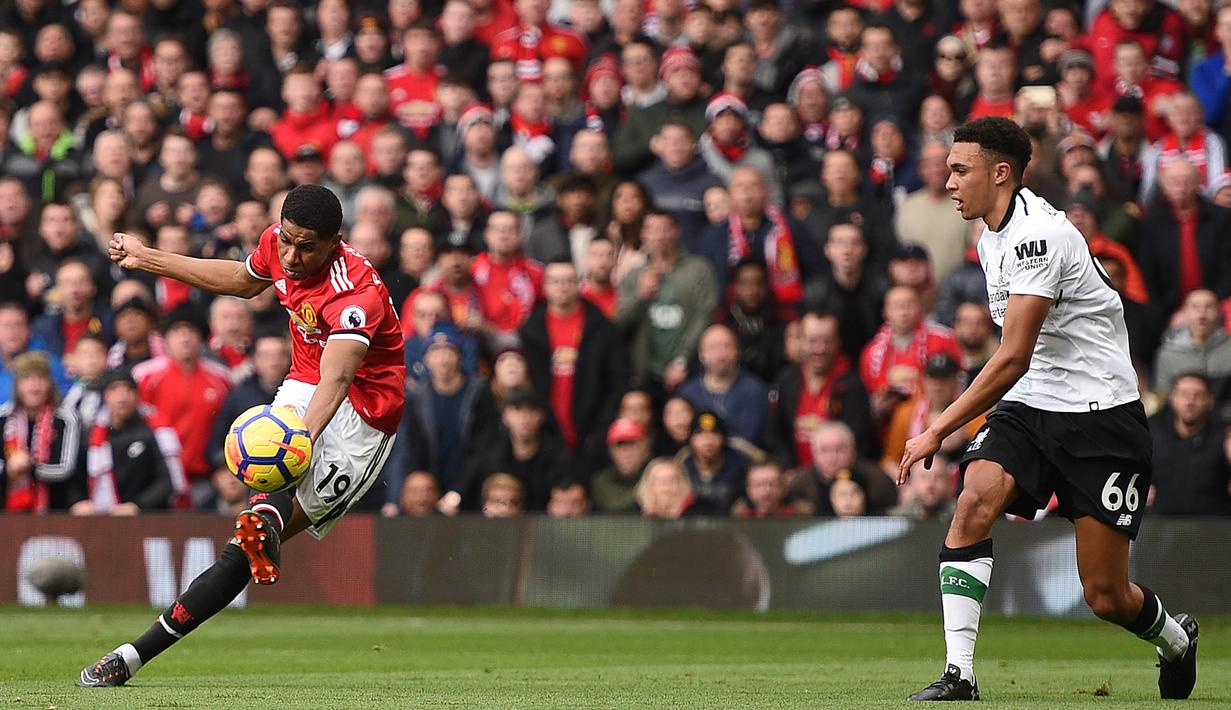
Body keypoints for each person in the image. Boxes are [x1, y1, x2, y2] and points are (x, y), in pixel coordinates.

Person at [897, 117, 1198, 701]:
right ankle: (960, 673)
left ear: (1000, 172)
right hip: (1033, 402)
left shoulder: (1040, 237)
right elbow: (1020, 367)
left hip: (1101, 415)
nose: (948, 180)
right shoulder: (989, 237)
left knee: (1106, 595)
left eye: (961, 169)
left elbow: (1011, 356)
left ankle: (1176, 639)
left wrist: (937, 427)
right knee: (973, 502)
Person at [79, 184, 406, 688]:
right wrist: (148, 258)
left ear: (335, 241)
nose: (292, 257)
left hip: (365, 415)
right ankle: (133, 655)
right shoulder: (278, 242)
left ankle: (265, 525)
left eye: (307, 247)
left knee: (247, 538)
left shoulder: (354, 295)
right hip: (305, 380)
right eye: (288, 242)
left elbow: (340, 380)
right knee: (246, 542)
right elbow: (241, 278)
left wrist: (299, 441)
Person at [519, 258, 627, 459]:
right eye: (555, 281)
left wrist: (602, 427)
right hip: (544, 432)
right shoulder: (530, 331)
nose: (563, 287)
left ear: (579, 283)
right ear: (544, 287)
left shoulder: (602, 328)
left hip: (591, 432)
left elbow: (617, 381)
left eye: (569, 281)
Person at [615, 209, 717, 393]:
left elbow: (704, 317)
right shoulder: (634, 275)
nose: (659, 236)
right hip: (645, 372)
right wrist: (640, 295)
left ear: (676, 231)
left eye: (665, 229)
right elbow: (619, 322)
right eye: (652, 229)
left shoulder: (698, 269)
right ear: (643, 234)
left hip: (690, 370)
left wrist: (682, 360)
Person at [74, 370, 181, 516]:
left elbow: (166, 481)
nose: (122, 397)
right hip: (102, 520)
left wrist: (138, 506)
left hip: (148, 518)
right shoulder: (91, 436)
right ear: (105, 396)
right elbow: (76, 478)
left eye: (128, 389)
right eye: (114, 389)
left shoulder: (153, 431)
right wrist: (81, 503)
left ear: (137, 395)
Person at [0, 352, 83, 512]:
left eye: (41, 378)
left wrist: (29, 467)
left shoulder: (65, 418)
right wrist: (9, 468)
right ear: (17, 385)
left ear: (50, 384)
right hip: (7, 507)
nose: (34, 385)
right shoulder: (3, 417)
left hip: (56, 506)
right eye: (27, 378)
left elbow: (65, 468)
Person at [1148, 373, 1231, 516]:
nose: (1190, 401)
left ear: (1209, 400)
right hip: (1161, 526)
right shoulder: (1153, 430)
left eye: (1197, 395)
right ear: (1172, 398)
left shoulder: (1224, 434)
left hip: (1214, 528)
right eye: (1183, 394)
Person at [679, 324, 767, 447]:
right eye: (713, 347)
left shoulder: (754, 389)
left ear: (737, 351)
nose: (721, 355)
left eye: (727, 346)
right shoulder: (688, 392)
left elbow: (751, 436)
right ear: (701, 354)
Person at [1154, 289, 1231, 400]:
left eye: (1209, 307)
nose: (1202, 313)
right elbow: (1163, 396)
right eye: (1195, 307)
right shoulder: (1168, 353)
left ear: (1219, 311)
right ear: (1184, 311)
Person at [677, 410, 747, 516]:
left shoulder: (740, 467)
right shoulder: (682, 466)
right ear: (690, 439)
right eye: (699, 432)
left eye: (714, 432)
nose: (707, 440)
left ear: (723, 438)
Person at [590, 417, 653, 513]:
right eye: (620, 446)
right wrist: (640, 496)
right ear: (611, 451)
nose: (626, 454)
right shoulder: (601, 481)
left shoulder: (658, 476)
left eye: (632, 445)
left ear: (645, 448)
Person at [730, 460, 810, 518]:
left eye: (772, 484)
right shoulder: (740, 515)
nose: (766, 492)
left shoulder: (801, 514)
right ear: (749, 490)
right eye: (759, 485)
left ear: (783, 488)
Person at [891, 455, 957, 523]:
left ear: (949, 483)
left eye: (938, 477)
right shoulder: (895, 520)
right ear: (911, 483)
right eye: (924, 477)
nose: (931, 484)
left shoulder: (961, 517)